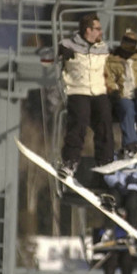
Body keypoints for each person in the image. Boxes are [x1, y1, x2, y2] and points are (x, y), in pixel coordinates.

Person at [58, 12, 114, 176]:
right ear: (87, 30)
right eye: (97, 29)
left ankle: (105, 159)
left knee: (105, 119)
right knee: (79, 121)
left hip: (98, 90)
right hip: (78, 89)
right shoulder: (68, 45)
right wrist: (59, 53)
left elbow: (115, 64)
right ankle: (70, 160)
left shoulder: (103, 48)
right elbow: (46, 57)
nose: (100, 32)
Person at [105, 29, 137, 156]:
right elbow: (107, 78)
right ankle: (130, 143)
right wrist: (113, 90)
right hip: (123, 94)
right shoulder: (111, 61)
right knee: (127, 110)